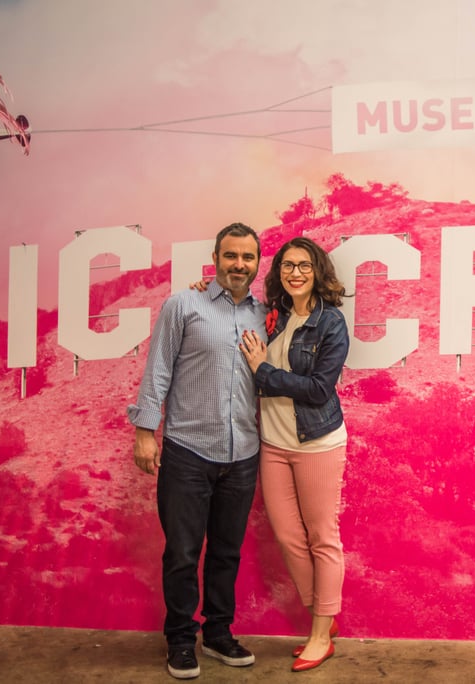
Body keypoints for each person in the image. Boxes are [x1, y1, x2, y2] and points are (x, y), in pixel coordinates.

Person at [128, 222, 266, 680]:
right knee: (184, 552)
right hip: (188, 450)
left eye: (248, 257)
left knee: (227, 552)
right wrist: (146, 431)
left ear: (257, 263)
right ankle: (182, 639)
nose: (239, 265)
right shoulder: (182, 305)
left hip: (243, 454)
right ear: (216, 257)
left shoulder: (263, 315)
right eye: (231, 256)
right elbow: (159, 368)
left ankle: (219, 633)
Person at [238, 236, 350, 673]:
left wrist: (264, 371)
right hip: (275, 443)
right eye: (288, 266)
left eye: (304, 265)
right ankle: (324, 612)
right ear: (279, 272)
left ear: (317, 270)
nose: (296, 273)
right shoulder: (274, 315)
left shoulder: (330, 322)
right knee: (287, 536)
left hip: (317, 442)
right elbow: (230, 303)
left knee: (322, 536)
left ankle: (320, 633)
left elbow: (320, 388)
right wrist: (198, 287)